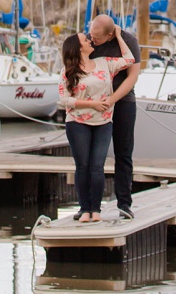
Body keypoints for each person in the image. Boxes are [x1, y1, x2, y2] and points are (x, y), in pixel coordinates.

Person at [59, 30, 129, 221]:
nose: (90, 41)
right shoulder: (68, 72)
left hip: (103, 121)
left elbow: (129, 60)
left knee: (97, 166)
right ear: (77, 47)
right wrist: (92, 104)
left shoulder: (104, 63)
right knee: (82, 165)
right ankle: (84, 209)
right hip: (77, 123)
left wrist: (119, 36)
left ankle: (95, 210)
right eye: (85, 39)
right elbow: (64, 100)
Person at [87, 13, 141, 220]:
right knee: (93, 156)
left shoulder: (128, 41)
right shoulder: (89, 40)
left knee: (123, 152)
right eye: (91, 35)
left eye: (98, 38)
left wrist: (113, 99)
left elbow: (132, 76)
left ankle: (124, 203)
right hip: (95, 102)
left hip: (123, 101)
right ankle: (91, 207)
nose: (93, 41)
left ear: (110, 35)